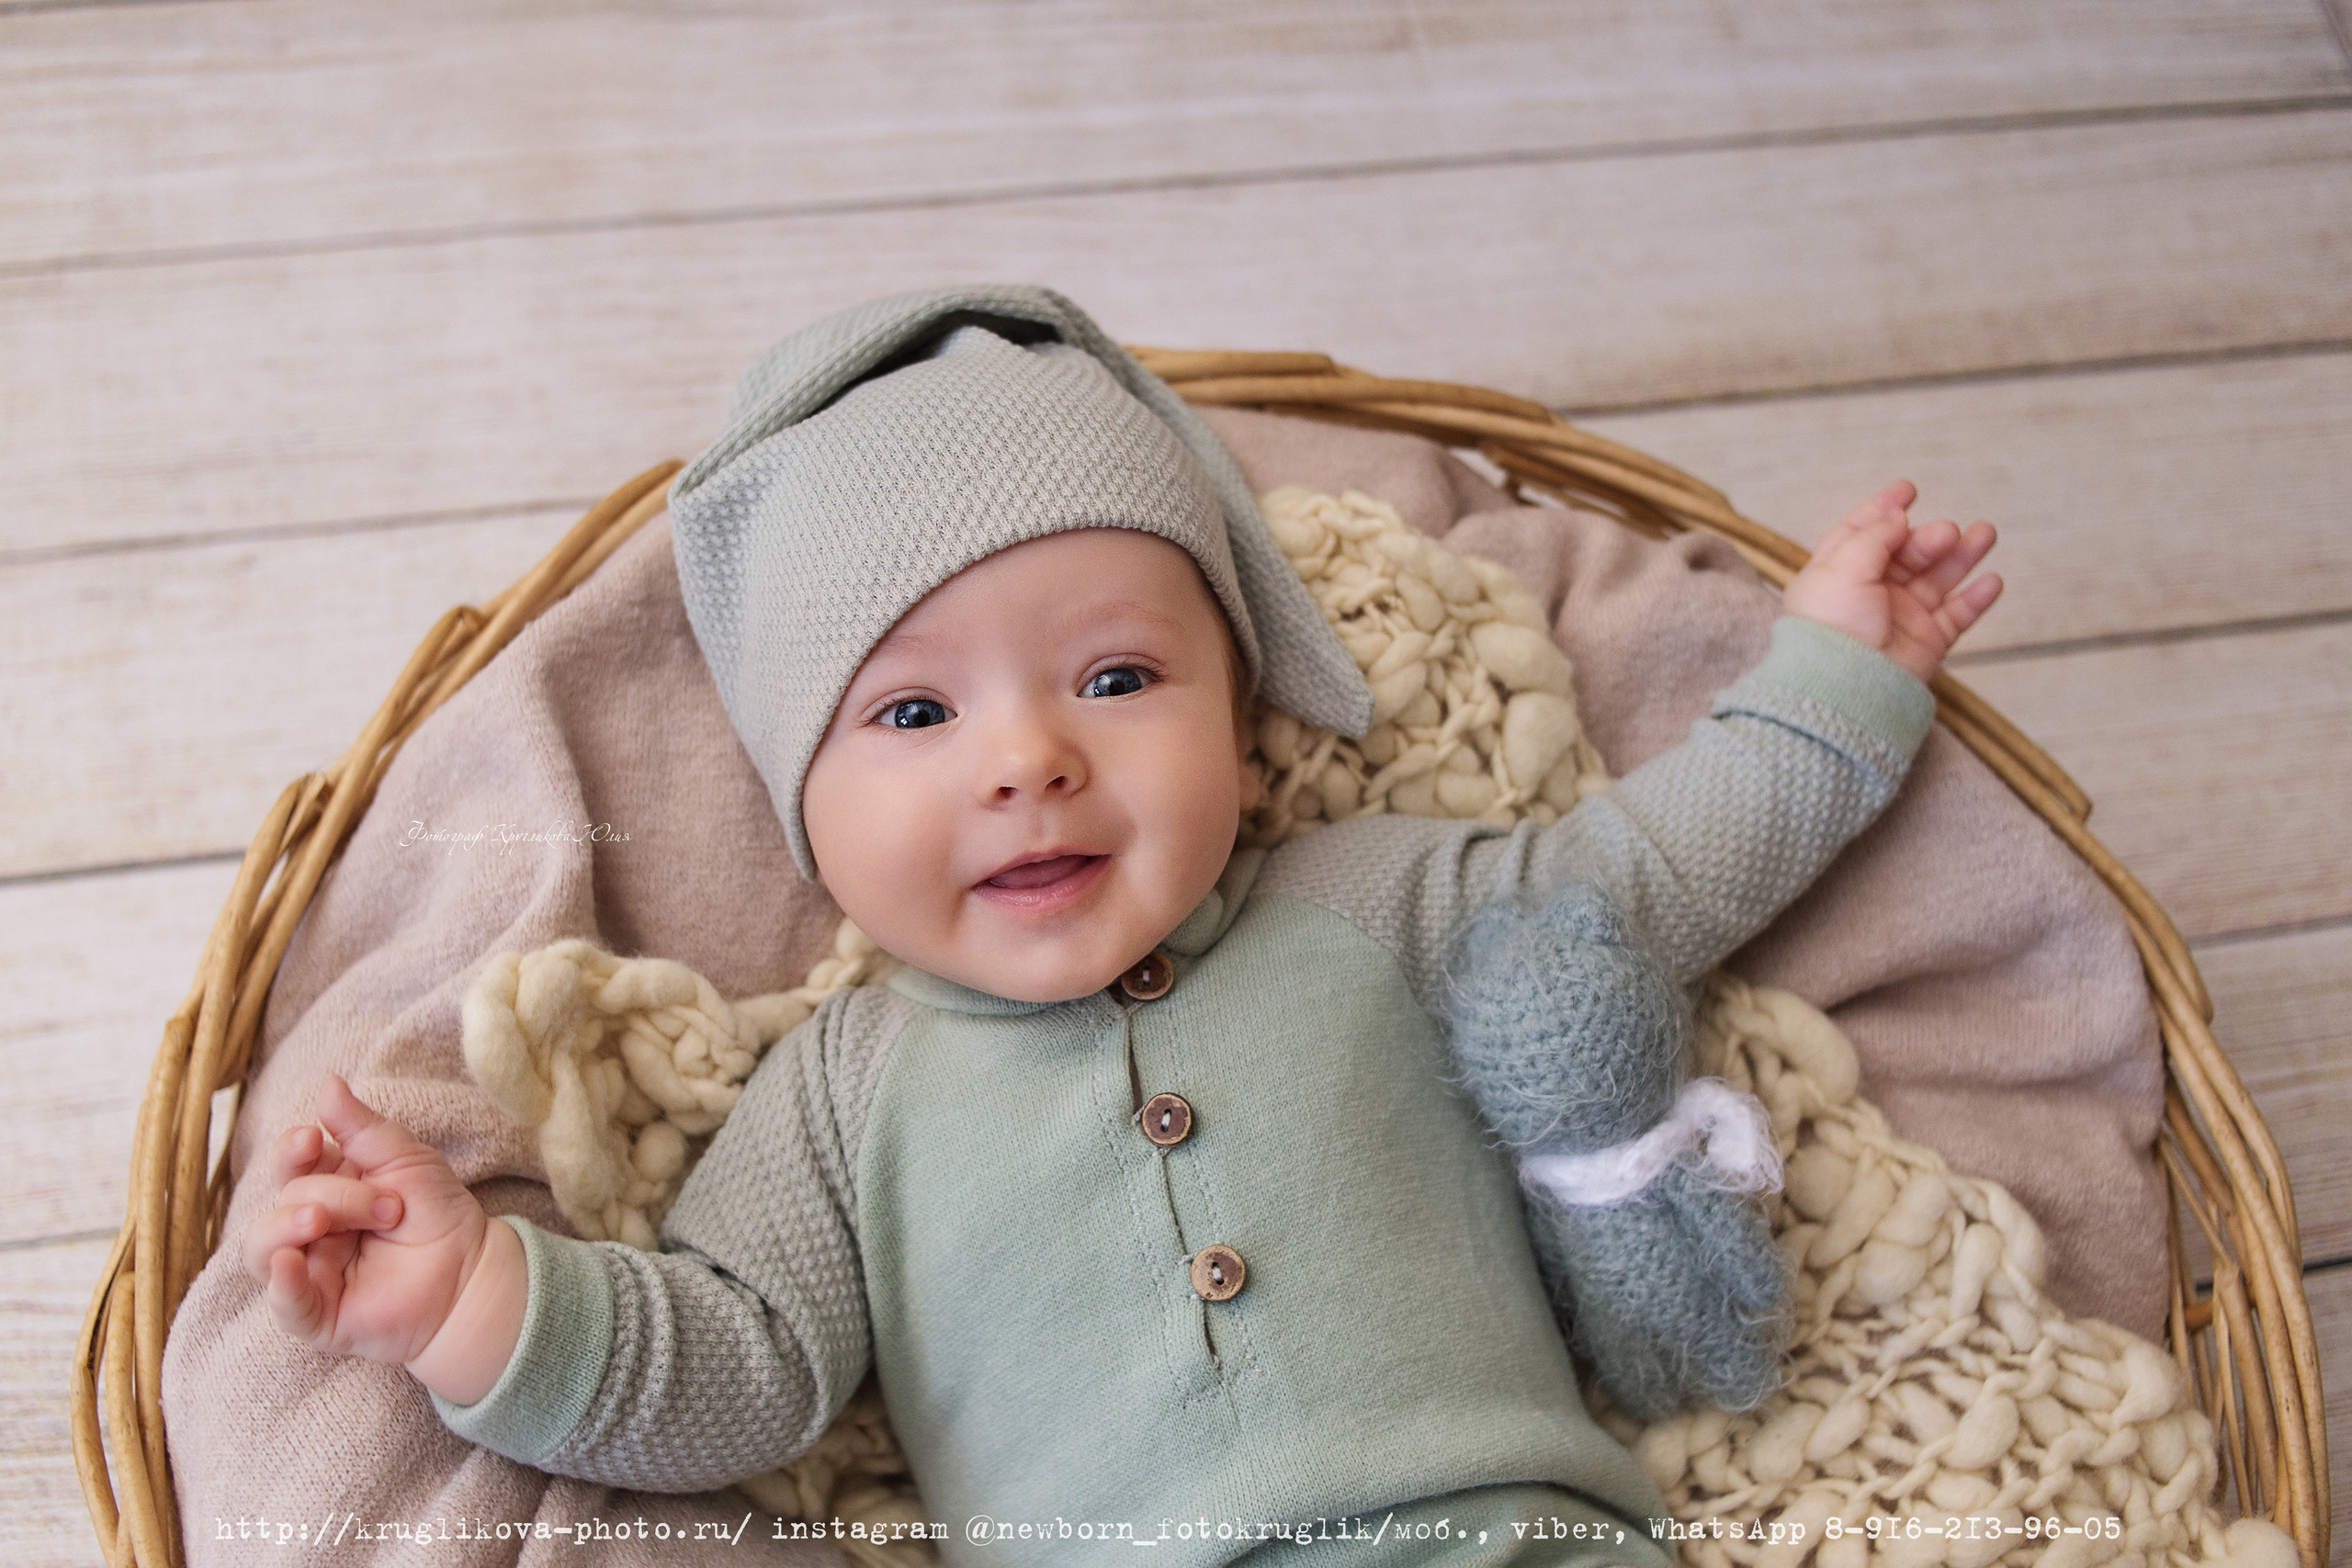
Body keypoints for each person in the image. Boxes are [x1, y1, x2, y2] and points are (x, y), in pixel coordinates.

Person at [241, 286, 2001, 1565]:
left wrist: (1843, 673)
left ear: (1239, 710)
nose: (1029, 760)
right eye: (914, 717)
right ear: (805, 808)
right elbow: (733, 1369)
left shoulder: (1387, 901)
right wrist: (466, 1296)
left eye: (1118, 675)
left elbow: (1667, 873)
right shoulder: (848, 1099)